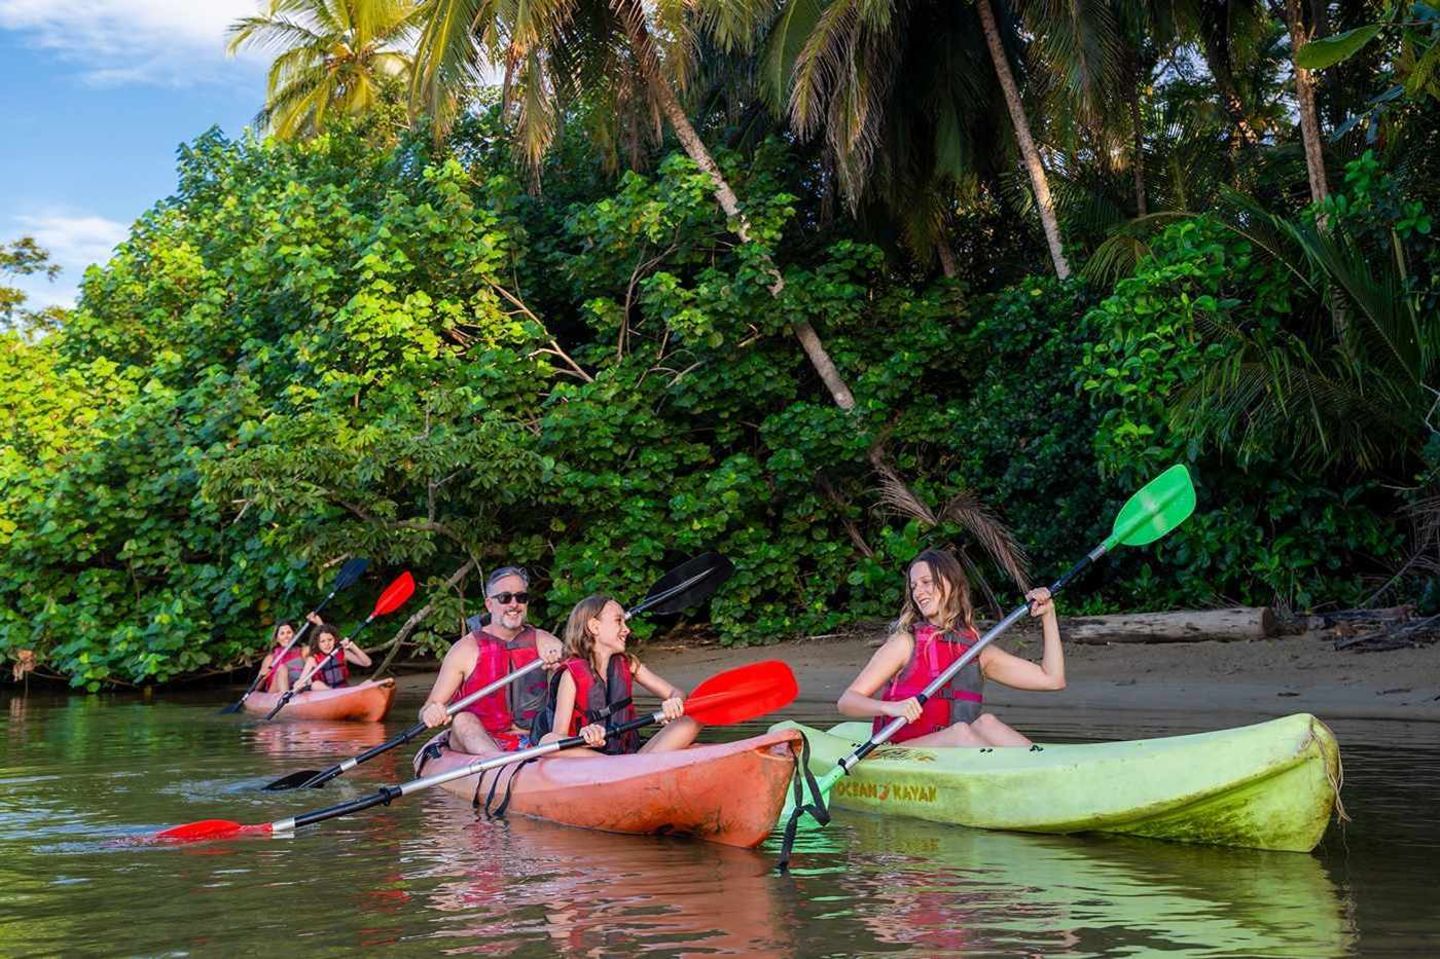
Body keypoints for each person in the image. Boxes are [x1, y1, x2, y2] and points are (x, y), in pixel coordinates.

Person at [838, 547, 1064, 747]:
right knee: (960, 733)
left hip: (953, 753)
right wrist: (891, 708)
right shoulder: (905, 643)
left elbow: (1052, 679)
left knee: (987, 723)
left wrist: (1048, 615)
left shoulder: (977, 651)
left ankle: (1043, 770)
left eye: (926, 582)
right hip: (902, 751)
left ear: (950, 582)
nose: (918, 592)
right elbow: (847, 702)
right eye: (914, 585)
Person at [419, 567, 564, 752]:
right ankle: (497, 766)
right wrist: (431, 712)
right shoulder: (465, 650)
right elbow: (428, 707)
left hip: (533, 738)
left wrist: (558, 668)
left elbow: (578, 689)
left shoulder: (546, 642)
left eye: (521, 598)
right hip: (479, 741)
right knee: (463, 720)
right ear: (489, 604)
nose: (514, 604)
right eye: (505, 598)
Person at [536, 594, 696, 755]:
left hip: (631, 757)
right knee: (547, 741)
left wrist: (675, 702)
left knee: (694, 717)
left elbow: (676, 693)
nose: (627, 629)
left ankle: (632, 769)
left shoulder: (629, 664)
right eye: (618, 621)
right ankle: (621, 770)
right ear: (594, 626)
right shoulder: (571, 676)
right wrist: (586, 737)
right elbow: (559, 735)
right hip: (590, 759)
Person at [256, 612, 322, 693]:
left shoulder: (303, 651)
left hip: (297, 689)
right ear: (277, 638)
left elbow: (322, 644)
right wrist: (261, 676)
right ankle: (285, 697)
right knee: (282, 668)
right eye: (282, 633)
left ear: (294, 635)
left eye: (289, 632)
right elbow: (257, 687)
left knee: (310, 660)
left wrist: (318, 622)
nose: (286, 636)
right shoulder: (270, 658)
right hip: (275, 693)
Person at [295, 622, 373, 690]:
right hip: (325, 693)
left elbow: (367, 663)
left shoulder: (342, 653)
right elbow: (301, 679)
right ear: (317, 644)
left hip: (343, 690)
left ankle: (346, 695)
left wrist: (353, 646)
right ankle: (337, 694)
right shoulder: (313, 659)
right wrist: (298, 684)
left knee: (369, 682)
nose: (327, 644)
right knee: (316, 685)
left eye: (330, 640)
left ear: (335, 640)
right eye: (322, 641)